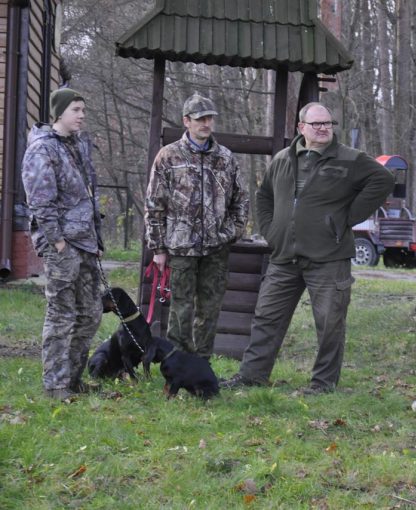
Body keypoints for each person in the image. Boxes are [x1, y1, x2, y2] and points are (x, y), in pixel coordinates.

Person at [220, 102, 394, 394]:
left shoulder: (350, 159)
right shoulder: (283, 159)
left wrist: (346, 218)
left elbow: (384, 179)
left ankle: (323, 384)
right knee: (266, 317)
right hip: (284, 257)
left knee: (329, 323)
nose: (324, 128)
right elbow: (265, 196)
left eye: (328, 123)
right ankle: (252, 376)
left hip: (329, 257)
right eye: (317, 124)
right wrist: (271, 230)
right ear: (301, 128)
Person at [144, 93, 249, 358]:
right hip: (180, 248)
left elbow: (241, 200)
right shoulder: (168, 157)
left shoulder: (225, 158)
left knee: (210, 310)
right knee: (181, 311)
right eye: (200, 118)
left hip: (216, 249)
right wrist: (158, 247)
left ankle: (202, 366)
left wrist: (231, 232)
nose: (206, 123)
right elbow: (154, 204)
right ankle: (178, 365)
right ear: (186, 121)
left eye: (209, 118)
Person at [22, 87, 104, 400]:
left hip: (85, 242)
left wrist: (95, 239)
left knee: (90, 314)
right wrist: (57, 242)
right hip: (62, 246)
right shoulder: (42, 149)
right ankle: (55, 386)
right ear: (59, 113)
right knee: (61, 316)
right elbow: (40, 202)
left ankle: (71, 379)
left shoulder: (80, 144)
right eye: (76, 110)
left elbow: (87, 195)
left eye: (83, 110)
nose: (81, 115)